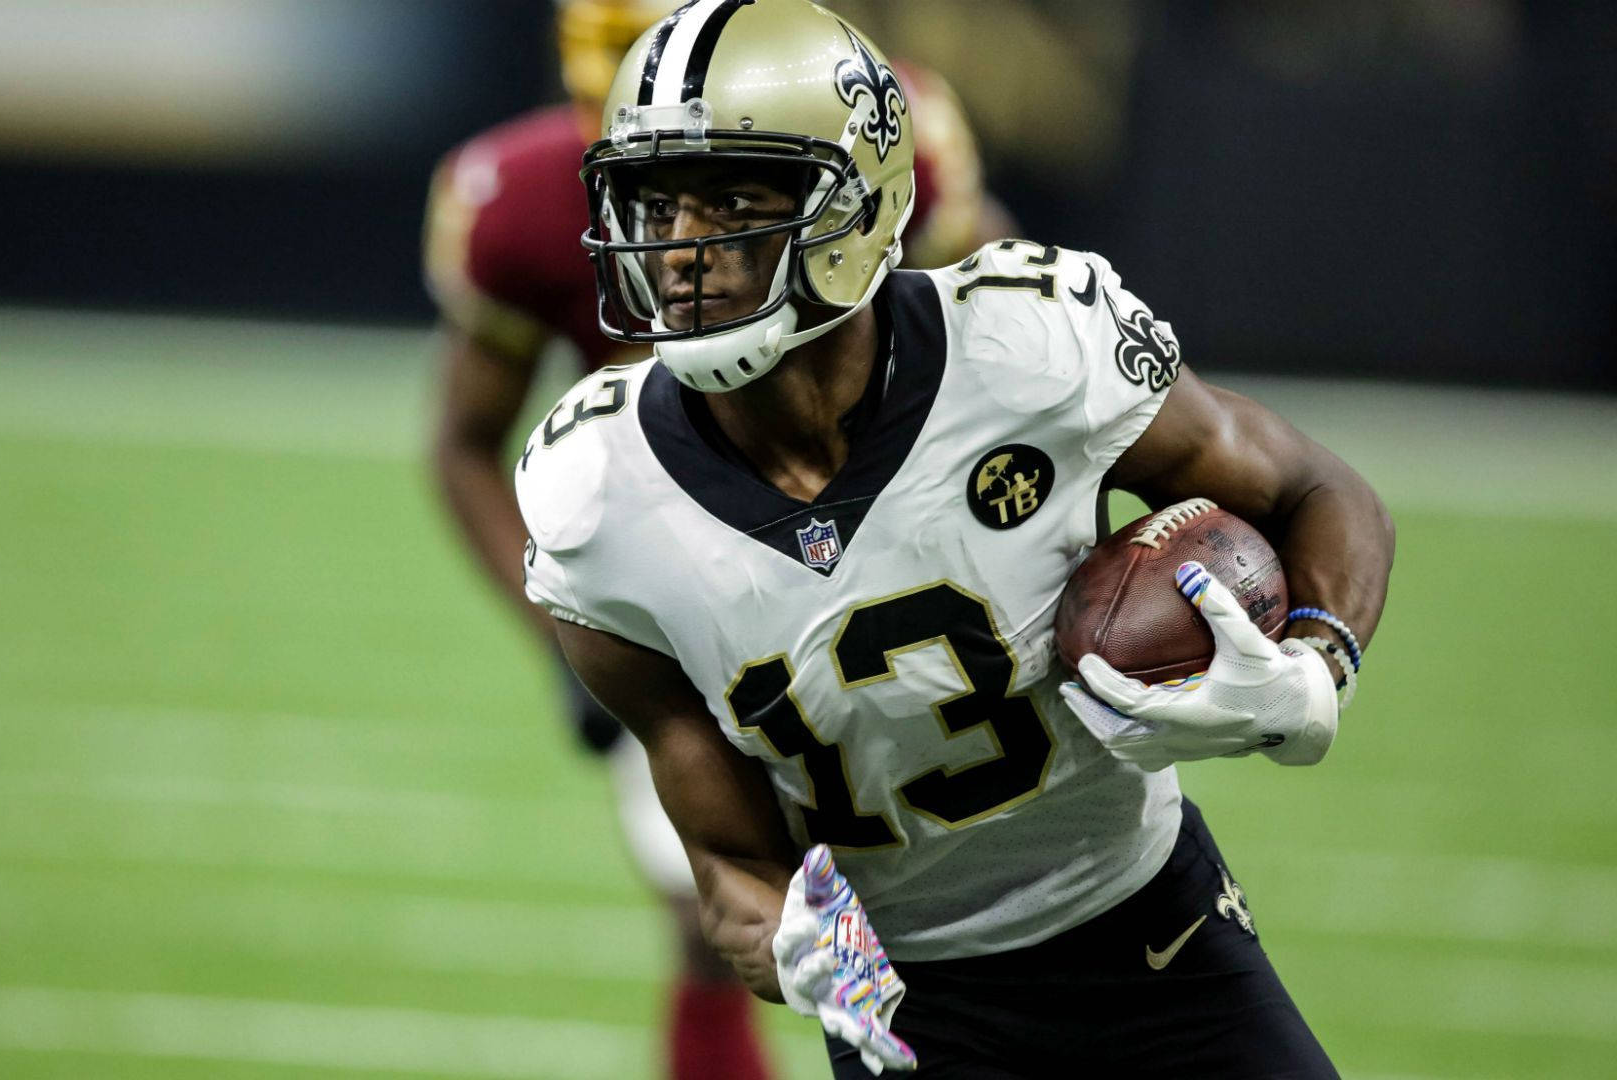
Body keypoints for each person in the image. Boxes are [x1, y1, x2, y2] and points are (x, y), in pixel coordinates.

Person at [516, 1, 1394, 1076]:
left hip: (1151, 931)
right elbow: (734, 864)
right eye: (656, 208)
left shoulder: (1029, 342)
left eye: (733, 202)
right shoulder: (596, 502)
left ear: (857, 205)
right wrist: (802, 952)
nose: (683, 251)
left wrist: (1315, 668)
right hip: (912, 1007)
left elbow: (1314, 485)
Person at [423, 2, 1010, 1076]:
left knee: (978, 877)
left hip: (901, 521)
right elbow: (463, 443)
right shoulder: (522, 204)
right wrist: (560, 632)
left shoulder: (879, 132)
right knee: (725, 915)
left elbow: (1004, 322)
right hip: (692, 550)